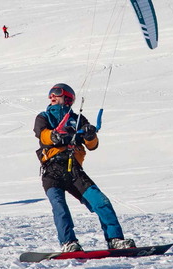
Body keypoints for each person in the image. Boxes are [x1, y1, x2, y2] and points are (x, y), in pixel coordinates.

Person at [33, 83, 136, 252]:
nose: (52, 96)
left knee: (101, 202)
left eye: (56, 93)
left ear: (67, 98)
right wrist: (54, 135)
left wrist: (90, 135)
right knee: (60, 208)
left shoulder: (79, 120)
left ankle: (115, 239)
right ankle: (69, 243)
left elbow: (92, 145)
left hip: (74, 171)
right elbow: (42, 134)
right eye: (51, 93)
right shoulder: (43, 117)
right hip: (52, 172)